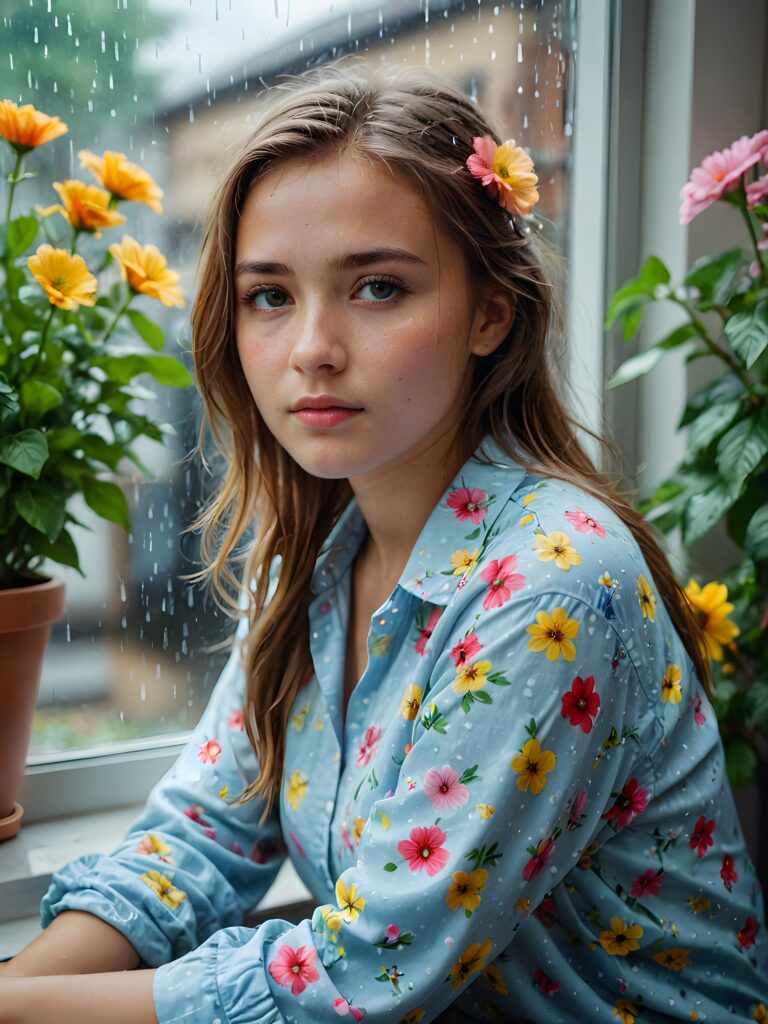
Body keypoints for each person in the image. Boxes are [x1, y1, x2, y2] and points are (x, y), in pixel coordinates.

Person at [1, 56, 766, 1024]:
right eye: (269, 295)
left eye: (376, 288)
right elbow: (200, 837)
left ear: (492, 311)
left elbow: (362, 977)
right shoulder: (315, 559)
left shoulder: (553, 586)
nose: (312, 345)